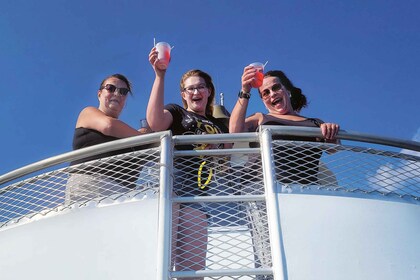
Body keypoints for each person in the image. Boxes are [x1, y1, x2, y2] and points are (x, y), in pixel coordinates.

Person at [229, 67, 340, 279]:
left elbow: (334, 148)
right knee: (268, 253)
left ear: (287, 90)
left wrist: (331, 131)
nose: (272, 94)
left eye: (276, 88)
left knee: (304, 251)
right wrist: (245, 89)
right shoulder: (261, 117)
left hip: (304, 194)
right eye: (266, 93)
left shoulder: (315, 123)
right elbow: (234, 132)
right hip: (265, 193)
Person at [147, 47, 229, 279]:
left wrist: (217, 149)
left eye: (200, 86)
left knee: (192, 270)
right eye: (190, 88)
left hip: (198, 194)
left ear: (209, 91)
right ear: (183, 95)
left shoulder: (220, 125)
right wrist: (159, 76)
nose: (195, 91)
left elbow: (228, 158)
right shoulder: (177, 112)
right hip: (170, 188)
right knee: (161, 261)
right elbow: (155, 122)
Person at [67, 73, 153, 203]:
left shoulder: (132, 137)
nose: (117, 94)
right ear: (99, 93)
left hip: (124, 196)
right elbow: (109, 125)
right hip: (90, 186)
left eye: (123, 91)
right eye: (110, 88)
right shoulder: (88, 113)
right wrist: (144, 138)